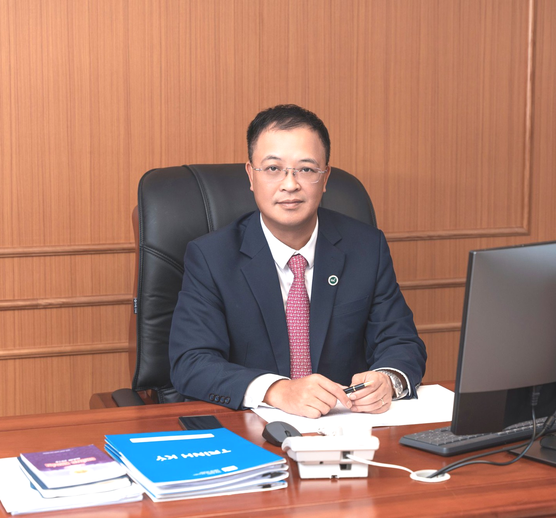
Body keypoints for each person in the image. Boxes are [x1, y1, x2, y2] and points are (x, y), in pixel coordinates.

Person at [169, 104, 427, 418]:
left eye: (306, 169)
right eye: (273, 168)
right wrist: (277, 390)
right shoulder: (211, 257)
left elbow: (401, 341)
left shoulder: (366, 248)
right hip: (252, 428)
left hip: (346, 425)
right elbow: (191, 363)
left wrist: (388, 379)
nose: (290, 184)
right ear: (251, 175)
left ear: (325, 176)